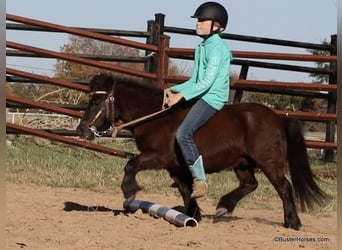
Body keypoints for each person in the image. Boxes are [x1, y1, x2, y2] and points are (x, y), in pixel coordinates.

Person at [165, 2, 233, 199]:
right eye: (198, 20)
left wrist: (181, 96)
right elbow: (194, 80)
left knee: (183, 133)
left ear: (217, 26)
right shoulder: (202, 47)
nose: (198, 23)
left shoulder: (217, 48)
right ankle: (184, 170)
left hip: (212, 97)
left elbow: (207, 82)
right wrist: (173, 89)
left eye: (202, 20)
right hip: (200, 92)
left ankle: (200, 181)